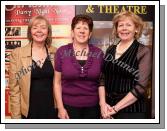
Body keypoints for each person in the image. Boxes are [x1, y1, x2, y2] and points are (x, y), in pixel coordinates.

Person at [53, 14, 106, 119]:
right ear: (72, 32)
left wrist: (102, 104)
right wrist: (60, 108)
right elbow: (57, 83)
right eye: (78, 28)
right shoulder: (61, 52)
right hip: (68, 108)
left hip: (93, 108)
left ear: (90, 34)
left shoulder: (99, 53)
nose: (82, 31)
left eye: (85, 28)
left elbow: (101, 81)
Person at [101, 11, 152, 119]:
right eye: (121, 25)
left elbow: (141, 87)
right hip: (107, 108)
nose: (124, 28)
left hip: (132, 111)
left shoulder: (143, 51)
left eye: (128, 25)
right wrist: (103, 104)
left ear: (136, 29)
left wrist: (115, 109)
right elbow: (102, 77)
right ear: (116, 29)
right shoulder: (110, 49)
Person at [9, 15, 57, 119]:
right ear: (30, 31)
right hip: (29, 113)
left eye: (43, 28)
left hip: (52, 111)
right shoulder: (17, 54)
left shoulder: (56, 53)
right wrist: (16, 119)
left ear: (48, 32)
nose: (39, 31)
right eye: (35, 28)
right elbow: (14, 90)